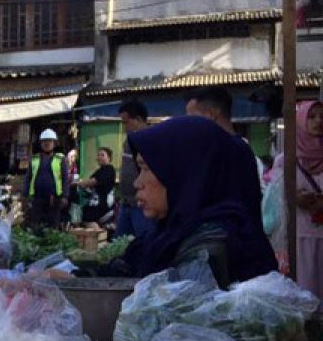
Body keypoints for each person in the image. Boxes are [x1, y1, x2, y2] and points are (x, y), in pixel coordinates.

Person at [117, 116, 276, 287]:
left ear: (185, 176)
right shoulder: (171, 235)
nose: (137, 183)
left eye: (147, 169)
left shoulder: (207, 251)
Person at [264, 100, 323, 297]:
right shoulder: (285, 159)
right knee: (304, 290)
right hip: (298, 236)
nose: (318, 121)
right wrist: (294, 197)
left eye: (322, 116)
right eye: (312, 116)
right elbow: (277, 194)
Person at [185, 86, 265, 185]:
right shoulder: (242, 150)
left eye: (192, 118)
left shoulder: (232, 152)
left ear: (211, 114)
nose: (189, 124)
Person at [116, 100, 155, 240]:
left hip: (141, 205)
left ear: (138, 119)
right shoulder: (129, 140)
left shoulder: (151, 140)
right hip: (126, 203)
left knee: (144, 242)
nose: (124, 126)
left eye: (126, 122)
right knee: (120, 245)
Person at [25, 128, 66, 228]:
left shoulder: (60, 159)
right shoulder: (34, 159)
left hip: (54, 198)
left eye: (49, 141)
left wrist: (65, 196)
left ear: (54, 143)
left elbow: (65, 178)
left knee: (53, 225)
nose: (47, 143)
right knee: (35, 224)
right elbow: (28, 177)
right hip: (37, 197)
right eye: (44, 141)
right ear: (40, 143)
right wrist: (24, 195)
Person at [76, 147, 117, 225]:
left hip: (102, 205)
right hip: (94, 203)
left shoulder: (109, 169)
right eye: (98, 155)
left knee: (88, 220)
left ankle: (96, 234)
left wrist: (80, 183)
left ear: (109, 158)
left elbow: (93, 181)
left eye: (102, 155)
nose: (99, 157)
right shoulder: (99, 171)